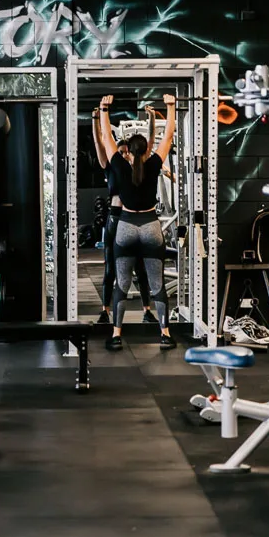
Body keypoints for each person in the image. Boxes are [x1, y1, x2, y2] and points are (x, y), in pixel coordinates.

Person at [99, 93, 176, 351]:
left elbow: (107, 138)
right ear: (145, 150)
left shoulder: (120, 166)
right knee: (157, 284)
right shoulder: (154, 164)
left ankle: (117, 335)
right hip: (151, 227)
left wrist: (104, 109)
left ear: (129, 152)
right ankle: (165, 334)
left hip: (126, 226)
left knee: (122, 284)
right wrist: (171, 107)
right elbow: (167, 138)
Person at [92, 106, 158, 325]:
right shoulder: (112, 167)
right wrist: (96, 119)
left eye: (125, 152)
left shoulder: (138, 170)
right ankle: (105, 310)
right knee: (111, 267)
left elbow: (149, 144)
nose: (123, 155)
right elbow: (101, 142)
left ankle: (147, 310)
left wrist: (151, 118)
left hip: (133, 219)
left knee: (140, 267)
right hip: (115, 218)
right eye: (119, 153)